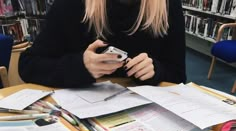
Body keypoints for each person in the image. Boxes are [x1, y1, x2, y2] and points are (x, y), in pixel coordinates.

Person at [18, 0, 186, 88]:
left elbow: (178, 77)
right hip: (80, 116)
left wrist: (155, 71)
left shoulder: (167, 5)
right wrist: (81, 66)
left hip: (145, 118)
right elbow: (29, 65)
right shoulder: (71, 4)